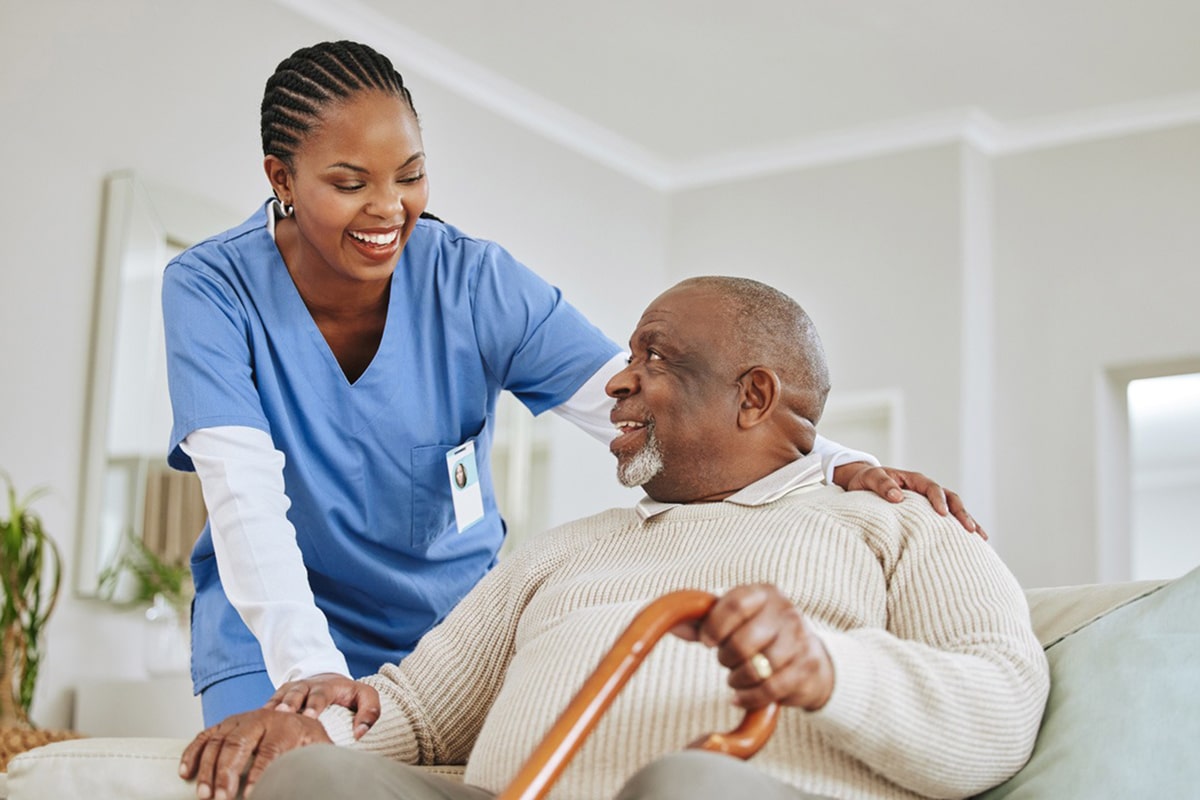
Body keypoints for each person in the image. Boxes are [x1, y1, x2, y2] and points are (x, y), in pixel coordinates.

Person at [163, 40, 982, 728]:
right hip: (272, 628)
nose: (390, 209)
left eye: (410, 175)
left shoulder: (473, 282)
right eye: (350, 183)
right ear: (280, 177)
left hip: (444, 635)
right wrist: (309, 666)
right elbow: (243, 499)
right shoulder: (209, 290)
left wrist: (832, 459)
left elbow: (638, 403)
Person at [179, 277, 1047, 800]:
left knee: (688, 786)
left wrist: (828, 669)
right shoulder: (565, 550)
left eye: (657, 358)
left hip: (728, 792)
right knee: (314, 781)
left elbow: (1002, 705)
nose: (619, 380)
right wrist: (307, 732)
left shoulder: (895, 522)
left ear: (753, 396)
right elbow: (412, 711)